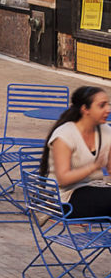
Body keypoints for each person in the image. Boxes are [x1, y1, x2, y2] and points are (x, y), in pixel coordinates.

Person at [40, 86, 111, 218]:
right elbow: (63, 179)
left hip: (94, 188)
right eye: (102, 106)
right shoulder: (64, 135)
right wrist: (93, 167)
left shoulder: (106, 131)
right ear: (85, 109)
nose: (108, 109)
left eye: (108, 104)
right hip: (64, 198)